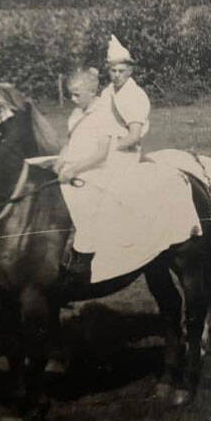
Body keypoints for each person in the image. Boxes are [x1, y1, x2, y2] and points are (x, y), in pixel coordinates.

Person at [54, 68, 116, 282]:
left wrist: (74, 169)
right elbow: (69, 142)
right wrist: (62, 159)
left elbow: (101, 153)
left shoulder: (105, 114)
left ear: (92, 91)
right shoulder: (76, 114)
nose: (72, 99)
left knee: (82, 205)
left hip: (95, 172)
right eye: (70, 94)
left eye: (76, 94)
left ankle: (84, 256)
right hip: (72, 170)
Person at [100, 35, 151, 171]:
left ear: (130, 71)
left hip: (125, 153)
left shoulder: (135, 95)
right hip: (103, 148)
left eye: (121, 71)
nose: (117, 75)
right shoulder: (106, 93)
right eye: (113, 70)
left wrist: (108, 149)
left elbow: (134, 136)